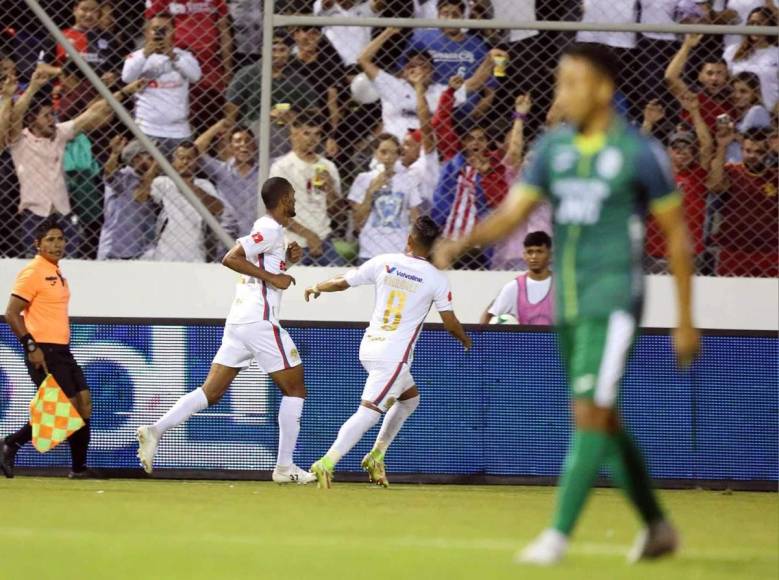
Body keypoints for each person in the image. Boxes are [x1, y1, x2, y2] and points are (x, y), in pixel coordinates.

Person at [434, 43, 700, 565]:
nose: (562, 94)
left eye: (571, 83)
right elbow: (513, 215)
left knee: (589, 412)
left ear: (602, 88)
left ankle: (556, 537)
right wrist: (459, 243)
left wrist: (687, 320)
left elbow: (677, 239)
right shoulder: (554, 150)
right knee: (604, 418)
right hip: (571, 307)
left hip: (616, 300)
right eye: (559, 83)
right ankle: (657, 526)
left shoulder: (639, 154)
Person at [136, 177, 316, 485]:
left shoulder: (273, 233)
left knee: (211, 392)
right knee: (295, 389)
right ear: (285, 199)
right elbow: (231, 257)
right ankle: (285, 467)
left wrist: (286, 261)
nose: (295, 201)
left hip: (240, 321)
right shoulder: (270, 228)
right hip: (258, 321)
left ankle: (155, 431)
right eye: (293, 196)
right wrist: (275, 279)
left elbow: (263, 267)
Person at [304, 216, 471, 488]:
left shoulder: (385, 262)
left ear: (409, 239)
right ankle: (327, 461)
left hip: (370, 347)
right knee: (369, 412)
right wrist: (466, 340)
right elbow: (450, 323)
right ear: (432, 247)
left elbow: (343, 281)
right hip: (393, 357)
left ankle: (376, 455)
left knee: (410, 400)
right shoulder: (437, 279)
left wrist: (316, 286)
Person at [9, 63, 144, 257]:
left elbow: (93, 112)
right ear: (31, 120)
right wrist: (32, 88)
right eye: (46, 116)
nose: (51, 120)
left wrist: (125, 91)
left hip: (63, 215)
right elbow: (14, 117)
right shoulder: (20, 141)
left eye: (52, 115)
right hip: (34, 217)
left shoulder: (59, 133)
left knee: (70, 269)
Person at [1, 217, 94, 479]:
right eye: (50, 240)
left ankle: (79, 468)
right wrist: (31, 346)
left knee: (84, 403)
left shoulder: (56, 272)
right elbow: (12, 314)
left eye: (60, 239)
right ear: (38, 244)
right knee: (65, 405)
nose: (56, 244)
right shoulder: (33, 272)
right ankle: (12, 443)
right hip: (43, 350)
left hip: (62, 349)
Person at [642, 93, 714, 273]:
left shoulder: (697, 174)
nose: (683, 152)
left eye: (688, 147)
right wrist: (648, 123)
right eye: (677, 147)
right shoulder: (657, 173)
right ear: (668, 150)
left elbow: (706, 146)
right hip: (656, 252)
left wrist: (695, 112)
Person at [144, 0, 233, 132]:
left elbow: (224, 30)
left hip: (209, 64)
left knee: (212, 110)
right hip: (176, 63)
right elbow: (152, 28)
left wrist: (227, 69)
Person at [268, 110, 344, 266]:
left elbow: (339, 213)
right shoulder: (282, 167)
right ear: (294, 133)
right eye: (307, 133)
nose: (312, 139)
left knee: (341, 280)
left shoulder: (328, 167)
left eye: (317, 134)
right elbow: (276, 212)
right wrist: (309, 236)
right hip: (292, 241)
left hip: (324, 238)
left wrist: (329, 189)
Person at [121, 14, 202, 158]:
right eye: (155, 29)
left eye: (165, 29)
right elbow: (127, 78)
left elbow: (195, 76)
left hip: (179, 131)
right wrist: (146, 53)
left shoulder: (184, 56)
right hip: (147, 130)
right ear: (146, 32)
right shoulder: (137, 56)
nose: (160, 33)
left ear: (173, 32)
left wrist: (172, 56)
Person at [707, 126, 778, 277]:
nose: (752, 156)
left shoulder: (774, 176)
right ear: (741, 150)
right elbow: (715, 185)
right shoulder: (732, 171)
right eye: (748, 151)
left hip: (769, 250)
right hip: (733, 249)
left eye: (759, 152)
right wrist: (722, 146)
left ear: (767, 153)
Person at [139, 141, 223, 262]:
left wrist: (188, 185)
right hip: (165, 252)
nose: (185, 162)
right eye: (181, 158)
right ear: (173, 161)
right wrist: (156, 165)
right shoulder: (163, 182)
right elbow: (140, 196)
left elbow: (218, 208)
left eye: (189, 158)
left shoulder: (204, 184)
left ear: (197, 162)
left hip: (195, 252)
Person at [349, 133, 423, 261]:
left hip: (398, 251)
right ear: (375, 153)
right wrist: (370, 192)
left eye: (394, 153)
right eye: (383, 152)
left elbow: (416, 217)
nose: (389, 157)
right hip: (370, 251)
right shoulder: (363, 179)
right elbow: (358, 221)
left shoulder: (408, 180)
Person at [195, 119, 261, 240]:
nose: (243, 144)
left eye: (247, 141)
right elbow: (195, 151)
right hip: (227, 238)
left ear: (254, 146)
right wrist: (217, 127)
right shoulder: (221, 170)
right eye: (238, 141)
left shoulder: (265, 171)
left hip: (256, 238)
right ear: (230, 147)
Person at [97, 136, 159, 260]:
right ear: (136, 158)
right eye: (150, 155)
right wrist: (115, 154)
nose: (156, 159)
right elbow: (109, 175)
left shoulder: (156, 181)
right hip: (115, 249)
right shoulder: (125, 176)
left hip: (141, 248)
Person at [405, 0, 489, 84]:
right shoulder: (421, 38)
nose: (450, 18)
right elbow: (403, 71)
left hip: (466, 93)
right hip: (430, 94)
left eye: (455, 15)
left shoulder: (477, 44)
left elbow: (489, 83)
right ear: (438, 16)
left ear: (462, 18)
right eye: (445, 14)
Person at [480, 231, 554, 325]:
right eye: (529, 252)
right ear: (524, 255)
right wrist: (483, 338)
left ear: (550, 255)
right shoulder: (514, 287)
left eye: (539, 251)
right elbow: (488, 317)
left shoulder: (561, 285)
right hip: (526, 340)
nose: (534, 257)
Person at [665, 34, 735, 131]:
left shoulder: (730, 103)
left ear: (727, 76)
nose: (714, 78)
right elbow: (670, 77)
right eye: (709, 73)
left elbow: (722, 134)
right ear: (700, 77)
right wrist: (686, 46)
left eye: (719, 73)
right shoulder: (693, 96)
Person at [722, 6, 778, 111]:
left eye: (760, 23)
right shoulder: (732, 51)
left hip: (769, 112)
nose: (755, 27)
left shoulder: (776, 54)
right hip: (736, 112)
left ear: (770, 26)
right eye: (751, 23)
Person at [313, 0, 385, 66]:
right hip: (334, 64)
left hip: (362, 63)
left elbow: (379, 4)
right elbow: (326, 3)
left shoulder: (365, 7)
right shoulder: (326, 6)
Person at [726, 71, 772, 161]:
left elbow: (745, 139)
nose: (737, 95)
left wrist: (731, 134)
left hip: (746, 165)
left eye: (743, 91)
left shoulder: (757, 111)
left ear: (755, 93)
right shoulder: (739, 114)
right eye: (734, 91)